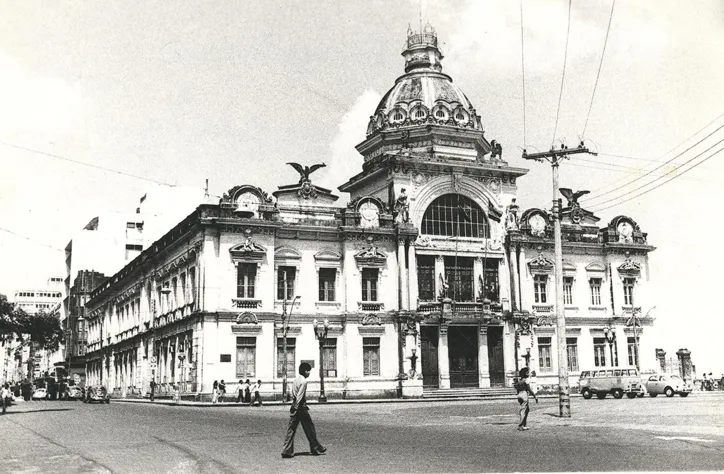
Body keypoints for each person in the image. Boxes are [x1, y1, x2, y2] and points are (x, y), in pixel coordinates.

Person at [281, 362, 326, 458]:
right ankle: (316, 447)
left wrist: (293, 407)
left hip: (294, 406)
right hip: (300, 407)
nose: (309, 373)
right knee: (310, 428)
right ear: (305, 371)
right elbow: (300, 396)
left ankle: (286, 450)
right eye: (308, 371)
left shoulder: (295, 380)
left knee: (291, 429)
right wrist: (297, 407)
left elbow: (294, 394)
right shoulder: (304, 381)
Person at [515, 367, 538, 431]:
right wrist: (535, 396)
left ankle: (524, 425)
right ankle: (521, 425)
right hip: (524, 394)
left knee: (527, 409)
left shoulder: (519, 381)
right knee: (524, 410)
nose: (529, 373)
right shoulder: (526, 380)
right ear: (526, 373)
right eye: (528, 372)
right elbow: (529, 389)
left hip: (519, 394)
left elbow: (516, 388)